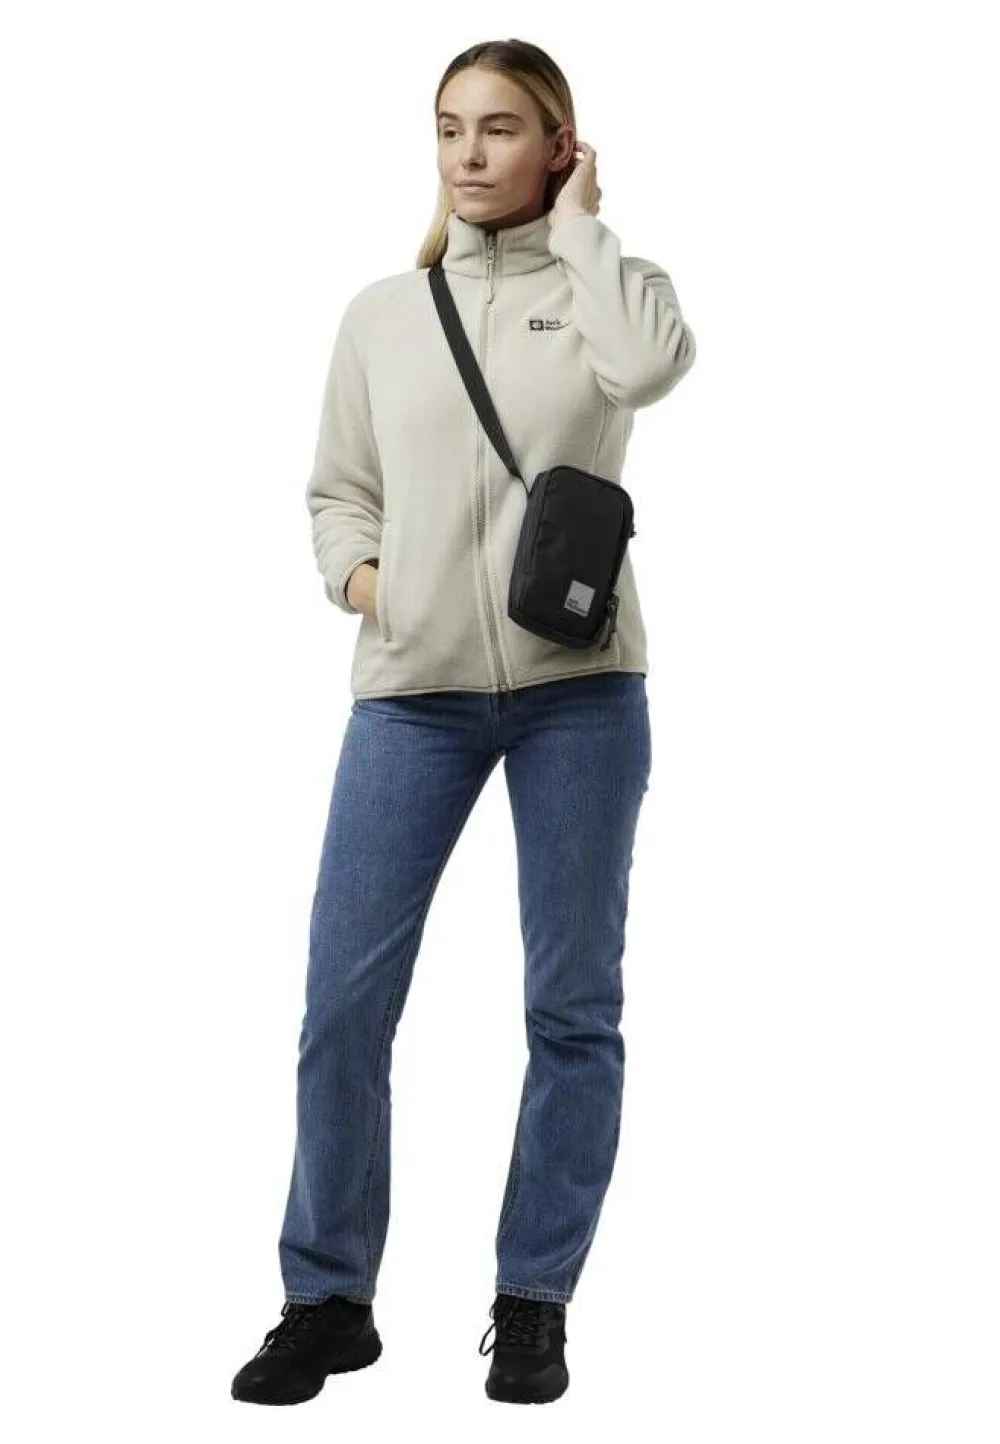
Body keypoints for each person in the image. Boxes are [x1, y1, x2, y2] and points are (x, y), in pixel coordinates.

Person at [231, 37, 695, 1409]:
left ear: (559, 144)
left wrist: (586, 228)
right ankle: (327, 1299)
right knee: (343, 1007)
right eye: (449, 128)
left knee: (572, 1008)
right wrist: (372, 585)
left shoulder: (612, 290)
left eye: (500, 128)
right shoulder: (383, 313)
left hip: (581, 694)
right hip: (412, 697)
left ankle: (533, 1299)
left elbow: (649, 370)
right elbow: (338, 489)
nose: (469, 153)